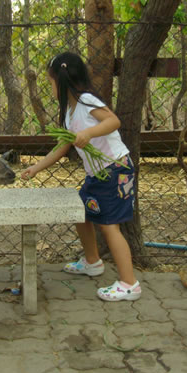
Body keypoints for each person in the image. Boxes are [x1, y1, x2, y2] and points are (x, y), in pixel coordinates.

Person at [21, 51, 141, 301]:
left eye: (51, 82)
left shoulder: (86, 101)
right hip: (97, 174)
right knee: (82, 213)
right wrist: (36, 167)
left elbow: (112, 121)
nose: (50, 88)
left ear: (63, 81)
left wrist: (90, 133)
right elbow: (62, 146)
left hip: (115, 169)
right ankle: (92, 261)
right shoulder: (69, 112)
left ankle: (129, 283)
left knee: (109, 226)